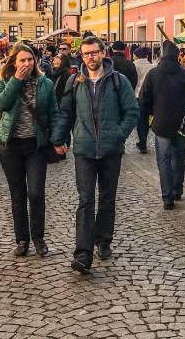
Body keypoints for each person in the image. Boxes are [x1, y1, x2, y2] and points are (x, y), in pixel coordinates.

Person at [55, 36, 139, 274]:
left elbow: (132, 111)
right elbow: (66, 113)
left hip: (111, 149)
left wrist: (118, 134)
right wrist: (59, 139)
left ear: (103, 53)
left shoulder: (118, 81)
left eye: (94, 52)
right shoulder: (75, 81)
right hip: (84, 149)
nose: (90, 57)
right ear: (82, 57)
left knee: (107, 198)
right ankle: (83, 253)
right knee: (85, 200)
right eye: (86, 54)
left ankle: (103, 240)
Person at [0, 44, 64, 258]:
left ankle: (38, 238)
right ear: (14, 62)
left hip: (36, 146)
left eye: (30, 59)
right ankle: (22, 240)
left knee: (36, 193)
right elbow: (0, 104)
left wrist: (58, 139)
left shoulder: (45, 83)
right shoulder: (6, 80)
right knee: (18, 194)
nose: (27, 63)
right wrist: (16, 80)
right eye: (22, 60)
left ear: (35, 61)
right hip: (11, 146)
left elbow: (54, 113)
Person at [138, 40, 185, 209]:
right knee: (178, 158)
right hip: (181, 124)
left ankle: (167, 196)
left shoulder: (153, 74)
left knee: (164, 160)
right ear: (177, 56)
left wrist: (153, 112)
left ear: (162, 56)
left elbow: (143, 99)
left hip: (161, 122)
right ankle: (177, 190)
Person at [133, 46, 155, 153]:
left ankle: (142, 143)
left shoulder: (134, 65)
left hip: (138, 95)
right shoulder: (152, 66)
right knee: (145, 119)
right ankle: (144, 140)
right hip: (149, 96)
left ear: (137, 56)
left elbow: (134, 80)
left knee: (140, 120)